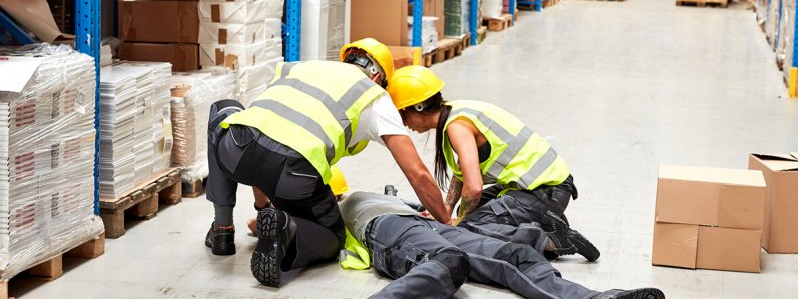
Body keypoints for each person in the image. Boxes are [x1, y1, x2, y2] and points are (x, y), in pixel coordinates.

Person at [203, 38, 450, 288]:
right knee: (333, 236)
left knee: (223, 111)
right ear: (378, 78)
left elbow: (263, 126)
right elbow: (417, 172)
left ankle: (222, 230)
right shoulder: (374, 95)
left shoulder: (300, 67)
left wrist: (262, 207)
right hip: (294, 174)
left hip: (238, 151)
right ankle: (287, 230)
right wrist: (446, 221)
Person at [385, 65, 599, 261]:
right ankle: (547, 223)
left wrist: (458, 222)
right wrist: (447, 211)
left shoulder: (457, 127)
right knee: (467, 213)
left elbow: (474, 187)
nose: (403, 122)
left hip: (545, 191)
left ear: (417, 107)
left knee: (468, 228)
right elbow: (463, 174)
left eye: (402, 113)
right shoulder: (455, 112)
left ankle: (552, 241)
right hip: (541, 189)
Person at [340, 191, 666, 299]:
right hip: (388, 228)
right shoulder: (346, 204)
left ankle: (593, 298)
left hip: (423, 224)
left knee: (517, 255)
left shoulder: (380, 197)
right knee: (448, 261)